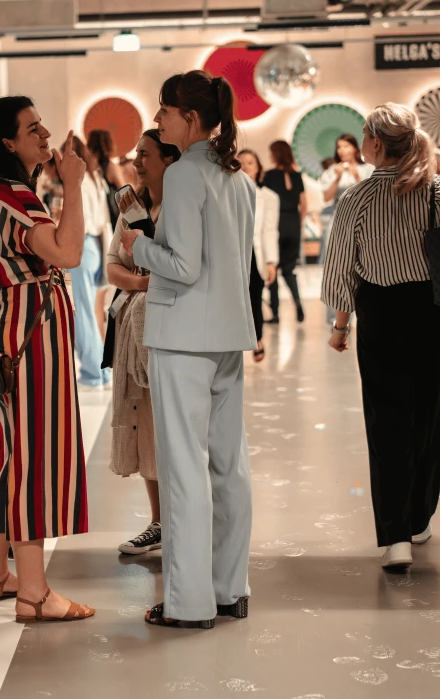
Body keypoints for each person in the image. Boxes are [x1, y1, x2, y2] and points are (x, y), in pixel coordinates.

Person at [120, 70, 256, 629]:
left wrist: (137, 244)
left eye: (164, 111)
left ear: (191, 119)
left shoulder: (182, 176)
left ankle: (189, 602)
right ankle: (229, 588)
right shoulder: (236, 176)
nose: (158, 120)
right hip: (228, 332)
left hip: (182, 336)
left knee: (183, 471)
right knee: (229, 466)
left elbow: (182, 264)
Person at [322, 103, 440, 571]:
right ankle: (419, 516)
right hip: (434, 312)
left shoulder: (357, 198)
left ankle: (395, 539)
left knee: (388, 422)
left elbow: (340, 267)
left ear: (376, 144)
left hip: (381, 314)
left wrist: (340, 325)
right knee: (431, 417)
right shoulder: (439, 187)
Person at [0, 96, 94, 622]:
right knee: (33, 458)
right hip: (31, 335)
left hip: (12, 326)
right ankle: (35, 593)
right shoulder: (16, 198)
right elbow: (68, 254)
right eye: (33, 128)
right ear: (8, 141)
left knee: (12, 452)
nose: (45, 135)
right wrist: (73, 185)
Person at [107, 129, 179, 556]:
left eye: (145, 154)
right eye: (136, 155)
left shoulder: (179, 208)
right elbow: (113, 266)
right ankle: (158, 521)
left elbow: (179, 270)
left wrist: (146, 280)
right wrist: (143, 281)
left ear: (169, 160)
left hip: (167, 327)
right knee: (139, 416)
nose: (137, 162)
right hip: (131, 322)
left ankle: (179, 519)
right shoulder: (130, 206)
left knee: (166, 423)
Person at [65, 133, 113, 390]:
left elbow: (79, 219)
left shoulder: (80, 181)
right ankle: (101, 371)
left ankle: (93, 371)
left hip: (84, 244)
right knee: (90, 312)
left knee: (84, 312)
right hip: (96, 245)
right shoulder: (95, 178)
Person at [319, 134, 373, 324]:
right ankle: (336, 316)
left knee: (364, 265)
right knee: (337, 266)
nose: (342, 150)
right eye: (339, 147)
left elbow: (369, 194)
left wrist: (356, 175)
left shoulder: (368, 169)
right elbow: (326, 197)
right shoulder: (332, 170)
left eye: (346, 146)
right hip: (338, 221)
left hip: (364, 222)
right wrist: (337, 177)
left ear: (355, 149)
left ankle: (363, 313)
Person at [238, 149, 279, 363]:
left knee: (255, 296)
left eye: (250, 162)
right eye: (240, 162)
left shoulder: (269, 197)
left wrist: (272, 262)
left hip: (256, 252)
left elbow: (270, 230)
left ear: (258, 168)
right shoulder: (226, 193)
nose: (245, 166)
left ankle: (258, 339)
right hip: (233, 252)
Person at [263, 140, 306, 324]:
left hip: (276, 224)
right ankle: (297, 303)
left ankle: (276, 313)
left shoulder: (269, 175)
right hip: (293, 224)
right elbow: (304, 205)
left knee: (272, 268)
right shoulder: (296, 175)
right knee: (289, 269)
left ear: (276, 154)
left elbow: (265, 201)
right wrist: (297, 225)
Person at [87, 129, 126, 230]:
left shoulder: (90, 168)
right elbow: (125, 191)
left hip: (97, 217)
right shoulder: (111, 167)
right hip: (111, 217)